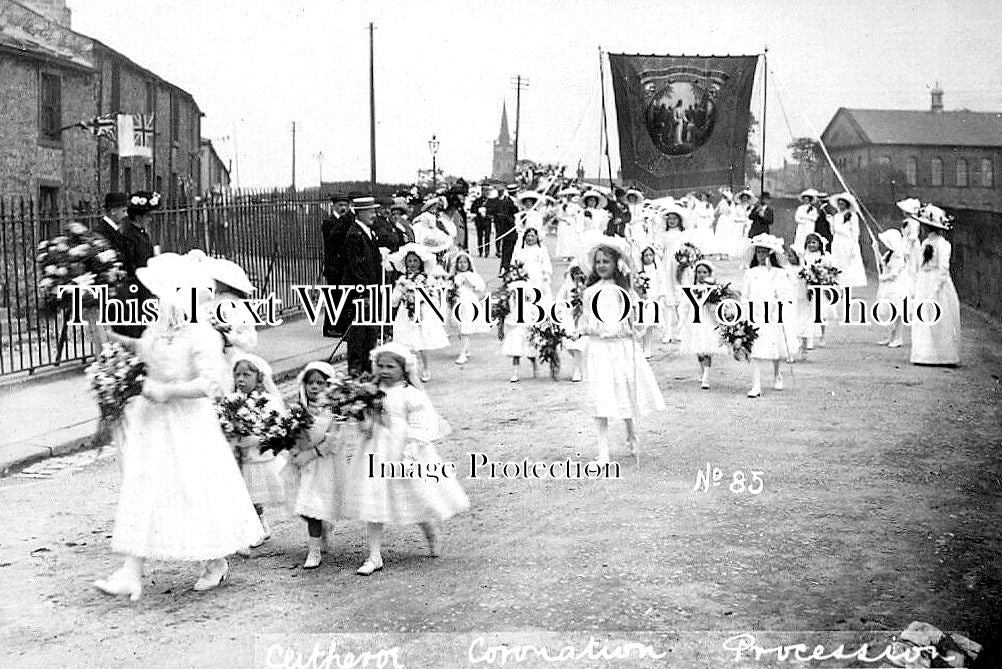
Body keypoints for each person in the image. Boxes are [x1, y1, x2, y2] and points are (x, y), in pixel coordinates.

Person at [94, 253, 263, 601]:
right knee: (144, 489)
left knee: (191, 490)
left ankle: (214, 559)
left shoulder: (202, 335)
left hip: (187, 423)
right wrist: (106, 334)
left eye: (163, 296)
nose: (157, 302)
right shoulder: (157, 328)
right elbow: (142, 352)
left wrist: (168, 391)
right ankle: (131, 571)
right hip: (152, 421)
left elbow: (213, 385)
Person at [343, 343, 470, 575]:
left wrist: (411, 450)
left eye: (390, 366)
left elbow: (423, 424)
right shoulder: (369, 391)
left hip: (404, 448)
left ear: (404, 369)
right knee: (374, 497)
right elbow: (366, 422)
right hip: (375, 450)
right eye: (380, 365)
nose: (384, 370)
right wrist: (362, 416)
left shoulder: (411, 394)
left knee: (415, 493)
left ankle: (429, 529)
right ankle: (374, 555)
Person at [579, 239, 665, 464]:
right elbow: (586, 319)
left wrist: (633, 326)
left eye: (606, 261)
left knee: (625, 391)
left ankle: (630, 433)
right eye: (597, 262)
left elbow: (637, 319)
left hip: (620, 347)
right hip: (598, 349)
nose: (601, 265)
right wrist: (587, 330)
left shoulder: (623, 290)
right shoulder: (589, 292)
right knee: (601, 396)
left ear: (616, 263)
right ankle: (603, 450)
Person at [282, 361, 347, 568]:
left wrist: (313, 452)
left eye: (320, 383)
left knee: (312, 509)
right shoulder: (297, 410)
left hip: (323, 466)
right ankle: (322, 529)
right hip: (302, 465)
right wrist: (294, 450)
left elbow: (335, 440)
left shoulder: (334, 411)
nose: (315, 387)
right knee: (302, 507)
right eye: (310, 383)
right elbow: (288, 434)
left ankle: (314, 552)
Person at [228, 352, 286, 553]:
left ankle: (316, 521)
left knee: (286, 491)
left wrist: (254, 438)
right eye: (238, 375)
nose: (241, 380)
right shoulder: (231, 401)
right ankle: (259, 527)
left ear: (258, 378)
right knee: (250, 496)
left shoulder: (267, 401)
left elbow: (276, 429)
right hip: (243, 458)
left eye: (247, 375)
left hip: (264, 456)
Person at [387, 243, 450, 382]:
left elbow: (433, 296)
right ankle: (408, 370)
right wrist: (401, 292)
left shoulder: (427, 279)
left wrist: (421, 297)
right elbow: (394, 300)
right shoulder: (403, 279)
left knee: (422, 341)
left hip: (422, 312)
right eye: (409, 261)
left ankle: (426, 368)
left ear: (421, 262)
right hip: (406, 312)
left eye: (415, 260)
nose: (412, 264)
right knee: (406, 340)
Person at [742, 234, 794, 397]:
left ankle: (777, 373)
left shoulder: (778, 273)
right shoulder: (750, 272)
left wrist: (780, 304)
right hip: (755, 314)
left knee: (774, 345)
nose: (761, 255)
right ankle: (756, 385)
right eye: (759, 252)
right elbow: (745, 295)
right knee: (755, 349)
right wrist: (745, 312)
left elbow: (785, 292)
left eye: (765, 252)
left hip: (772, 314)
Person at [909, 204, 960, 366]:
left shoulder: (943, 245)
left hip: (937, 282)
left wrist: (937, 288)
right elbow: (922, 265)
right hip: (925, 281)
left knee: (939, 317)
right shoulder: (925, 243)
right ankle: (924, 353)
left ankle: (942, 355)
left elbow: (943, 269)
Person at [342, 197, 385, 376]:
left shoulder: (367, 232)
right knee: (358, 332)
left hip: (372, 291)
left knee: (370, 331)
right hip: (362, 293)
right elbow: (355, 267)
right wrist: (364, 292)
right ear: (360, 213)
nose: (373, 215)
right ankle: (356, 369)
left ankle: (367, 367)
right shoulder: (354, 234)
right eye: (370, 212)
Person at [679, 259, 727, 389]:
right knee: (698, 348)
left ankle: (706, 375)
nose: (701, 275)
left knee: (707, 348)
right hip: (695, 319)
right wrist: (682, 319)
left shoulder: (713, 289)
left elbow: (718, 305)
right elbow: (684, 304)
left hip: (708, 319)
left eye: (704, 272)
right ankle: (702, 370)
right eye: (699, 272)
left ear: (709, 274)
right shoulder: (691, 288)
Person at [321, 193, 354, 337]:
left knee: (342, 297)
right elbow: (334, 242)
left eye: (345, 205)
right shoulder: (329, 222)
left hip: (343, 266)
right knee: (334, 296)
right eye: (340, 205)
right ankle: (330, 327)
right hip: (334, 266)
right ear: (334, 206)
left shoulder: (345, 221)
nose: (343, 208)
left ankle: (340, 326)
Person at [448, 251, 489, 365]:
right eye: (459, 262)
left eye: (464, 262)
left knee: (465, 327)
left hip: (468, 303)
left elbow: (481, 288)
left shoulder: (472, 275)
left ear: (469, 264)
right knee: (459, 329)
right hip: (457, 303)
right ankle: (466, 348)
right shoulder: (454, 276)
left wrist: (470, 284)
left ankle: (463, 353)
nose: (462, 264)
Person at [875, 229, 910, 349]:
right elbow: (883, 263)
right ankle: (890, 336)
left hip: (897, 286)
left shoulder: (899, 257)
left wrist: (883, 278)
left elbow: (894, 274)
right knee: (891, 312)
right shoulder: (890, 254)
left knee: (898, 312)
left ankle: (898, 338)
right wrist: (876, 250)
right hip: (889, 287)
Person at [553, 262, 587, 382]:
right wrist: (561, 311)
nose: (577, 276)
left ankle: (577, 370)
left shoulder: (587, 286)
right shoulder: (567, 286)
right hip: (569, 317)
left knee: (579, 343)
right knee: (570, 344)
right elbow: (559, 300)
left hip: (583, 317)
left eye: (580, 273)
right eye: (575, 273)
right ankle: (579, 364)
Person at [829, 193, 868, 288]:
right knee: (837, 262)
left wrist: (854, 245)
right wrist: (830, 222)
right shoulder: (837, 216)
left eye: (842, 204)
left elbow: (855, 232)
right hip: (837, 241)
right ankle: (838, 284)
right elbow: (833, 232)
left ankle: (846, 285)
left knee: (847, 263)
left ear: (847, 204)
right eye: (839, 204)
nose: (840, 206)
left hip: (847, 242)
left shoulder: (852, 216)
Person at [512, 223, 553, 305]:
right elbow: (514, 262)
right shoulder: (520, 249)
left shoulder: (541, 249)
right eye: (528, 236)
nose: (530, 238)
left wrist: (545, 276)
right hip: (523, 275)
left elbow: (546, 263)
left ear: (537, 237)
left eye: (532, 236)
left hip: (537, 276)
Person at [488, 184, 520, 275]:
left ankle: (506, 268)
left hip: (511, 229)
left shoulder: (511, 200)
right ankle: (505, 268)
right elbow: (510, 214)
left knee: (509, 250)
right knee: (508, 250)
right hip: (510, 229)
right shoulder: (509, 201)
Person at [471, 185, 494, 257]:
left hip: (487, 221)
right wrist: (477, 210)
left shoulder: (491, 201)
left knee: (487, 237)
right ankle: (480, 251)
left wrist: (488, 212)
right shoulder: (477, 201)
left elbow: (493, 210)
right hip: (479, 221)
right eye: (485, 190)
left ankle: (487, 251)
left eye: (488, 191)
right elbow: (472, 210)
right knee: (480, 237)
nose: (486, 192)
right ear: (482, 191)